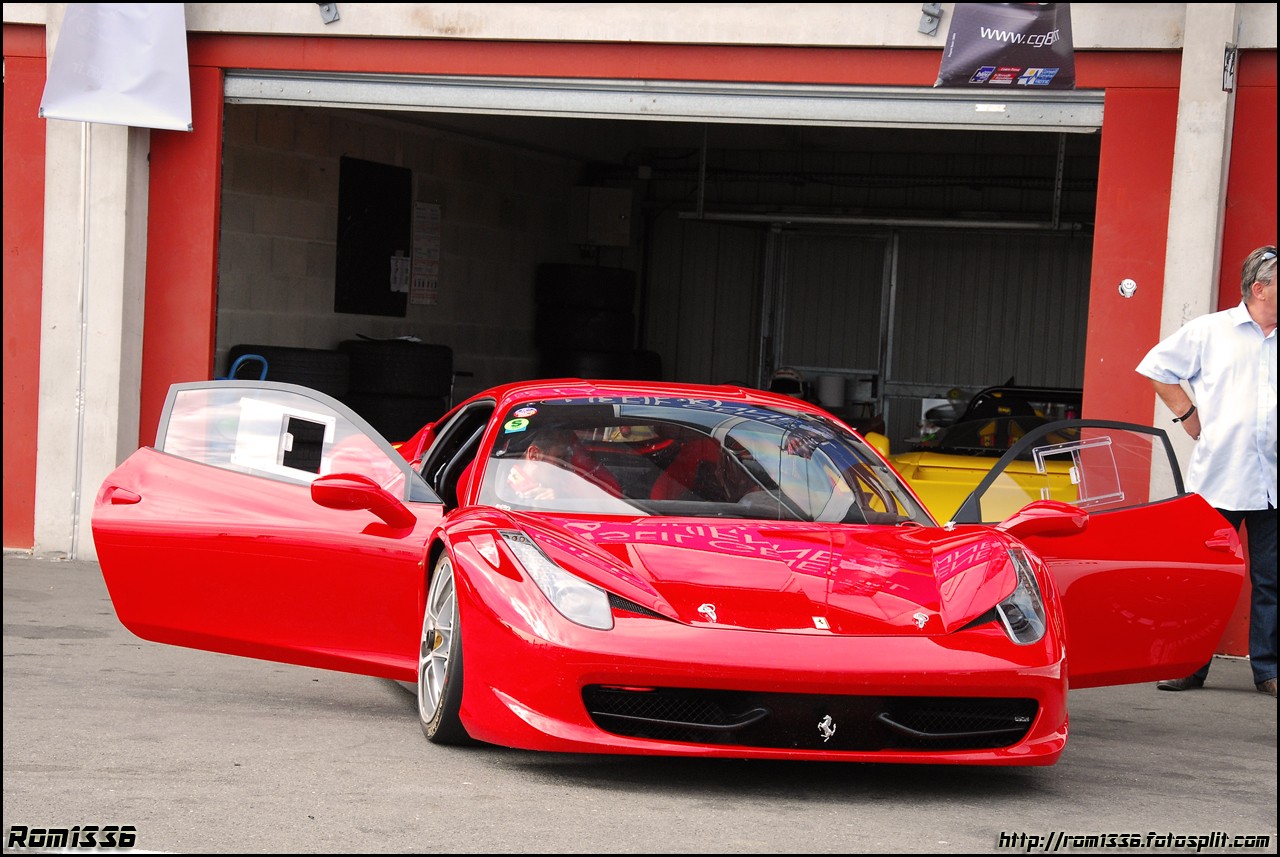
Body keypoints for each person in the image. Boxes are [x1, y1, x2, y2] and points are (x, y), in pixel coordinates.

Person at [1135, 244, 1277, 698]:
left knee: (1272, 580)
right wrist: (1188, 416)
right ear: (1260, 288)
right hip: (1219, 480)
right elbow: (1157, 367)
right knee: (1203, 580)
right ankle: (1189, 666)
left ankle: (1269, 671)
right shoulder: (1211, 331)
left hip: (1274, 484)